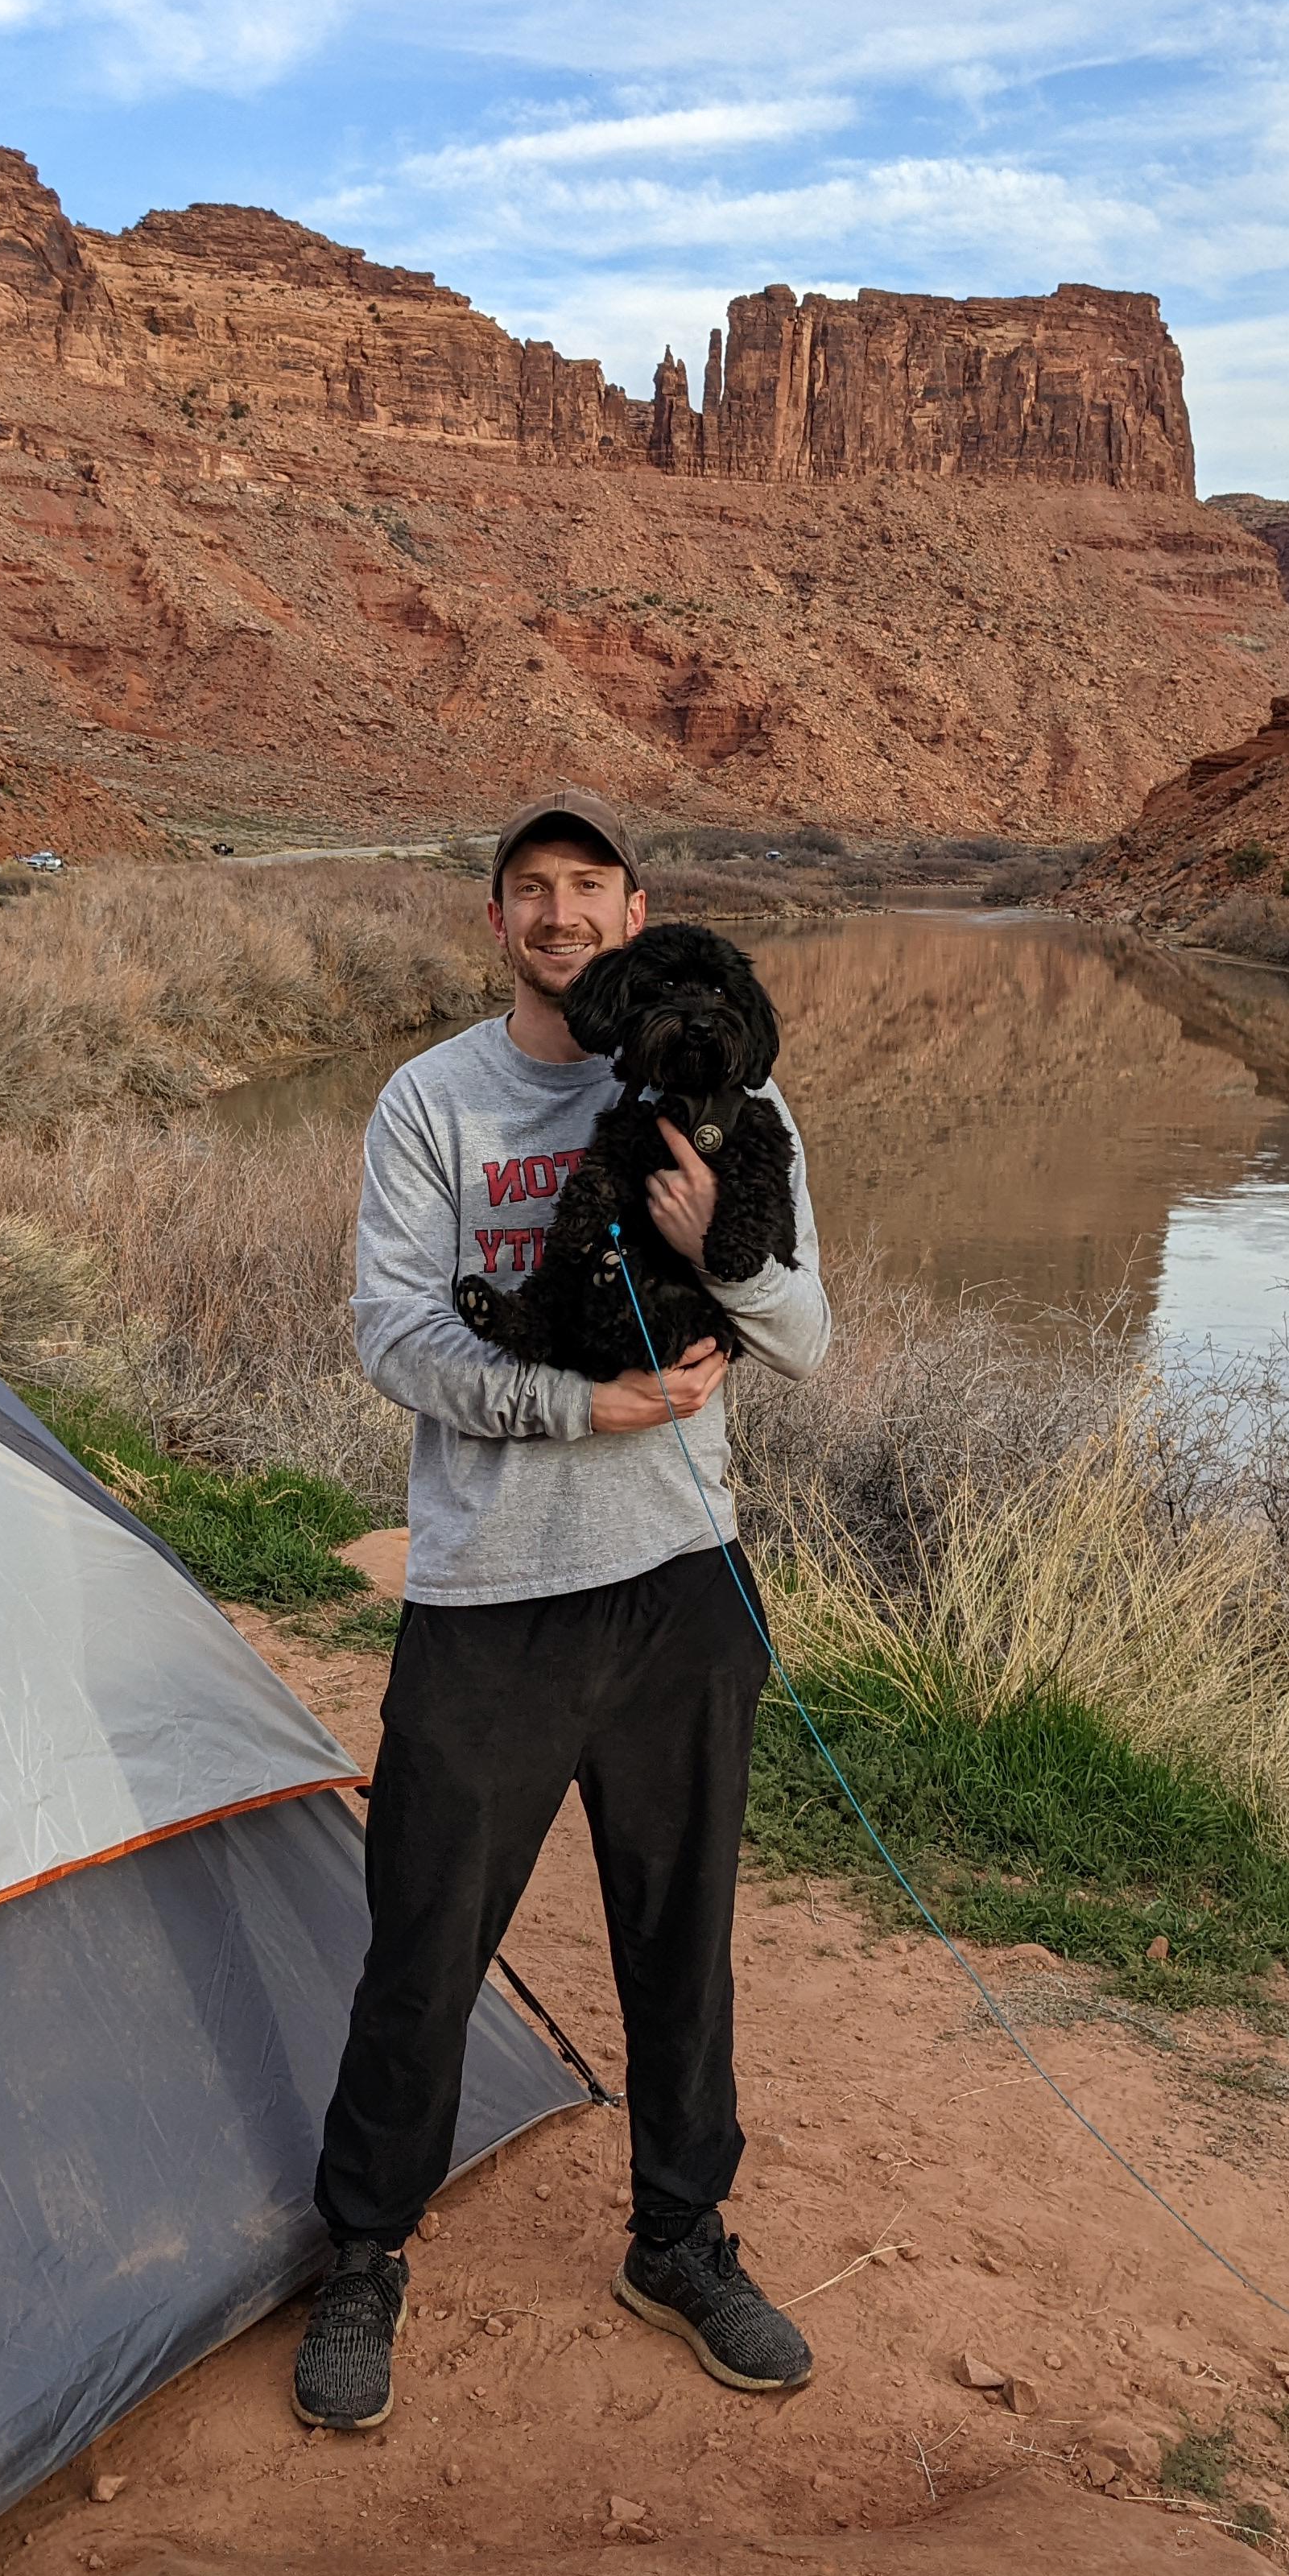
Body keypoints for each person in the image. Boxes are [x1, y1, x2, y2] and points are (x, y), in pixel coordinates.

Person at [292, 788, 831, 2434]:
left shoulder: (735, 1092)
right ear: (498, 921)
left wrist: (710, 1253)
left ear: (637, 904)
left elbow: (804, 1330)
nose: (561, 912)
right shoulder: (431, 1103)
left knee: (682, 1943)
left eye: (589, 884)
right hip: (496, 1597)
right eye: (530, 888)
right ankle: (364, 2251)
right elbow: (391, 1336)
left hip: (683, 1585)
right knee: (426, 1939)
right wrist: (568, 1409)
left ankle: (680, 2237)